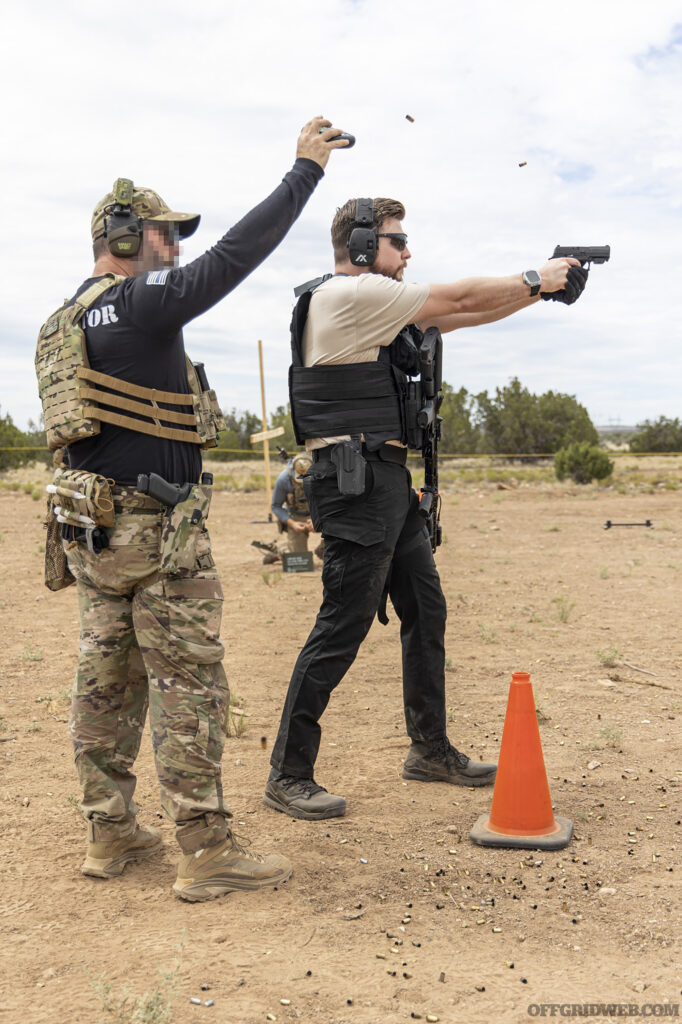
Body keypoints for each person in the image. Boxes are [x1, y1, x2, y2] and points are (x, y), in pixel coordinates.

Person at [35, 117, 350, 900]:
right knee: (189, 685)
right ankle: (204, 850)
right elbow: (234, 258)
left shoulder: (60, 324)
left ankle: (110, 835)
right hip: (156, 531)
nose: (173, 247)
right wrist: (303, 172)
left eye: (175, 237)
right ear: (122, 235)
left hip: (91, 532)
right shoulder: (139, 305)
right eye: (163, 233)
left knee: (104, 683)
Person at [263, 196, 588, 820]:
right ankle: (288, 772)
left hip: (384, 479)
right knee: (342, 625)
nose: (407, 252)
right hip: (354, 482)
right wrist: (536, 278)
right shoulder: (347, 296)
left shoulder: (376, 312)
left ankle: (429, 750)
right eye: (396, 240)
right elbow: (462, 299)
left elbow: (467, 316)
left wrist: (544, 289)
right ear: (360, 246)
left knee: (425, 608)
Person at [260, 452, 323, 564]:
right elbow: (276, 506)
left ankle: (324, 549)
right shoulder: (283, 479)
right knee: (299, 561)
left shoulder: (323, 476)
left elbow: (331, 503)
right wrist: (292, 523)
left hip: (318, 514)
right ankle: (280, 552)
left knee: (339, 527)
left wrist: (318, 519)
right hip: (296, 517)